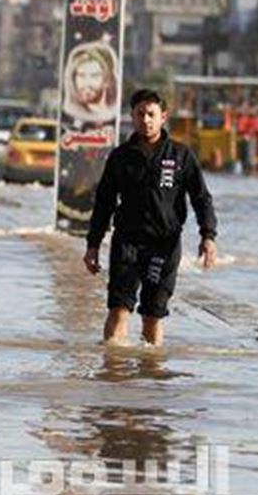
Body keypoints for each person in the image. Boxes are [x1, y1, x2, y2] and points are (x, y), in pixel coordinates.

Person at [83, 88, 218, 347]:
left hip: (164, 246)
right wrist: (93, 244)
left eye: (151, 114)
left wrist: (208, 236)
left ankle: (151, 379)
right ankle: (113, 373)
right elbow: (104, 203)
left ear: (163, 116)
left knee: (152, 316)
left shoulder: (181, 156)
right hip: (127, 244)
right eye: (140, 114)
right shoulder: (120, 157)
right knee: (118, 309)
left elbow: (201, 198)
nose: (145, 120)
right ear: (132, 117)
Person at [62, 42, 118, 123]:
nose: (87, 83)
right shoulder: (68, 116)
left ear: (107, 80)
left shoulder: (116, 117)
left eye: (94, 76)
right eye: (81, 75)